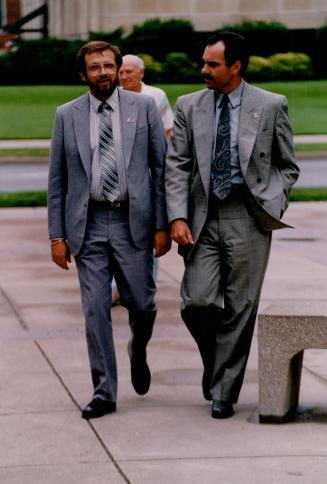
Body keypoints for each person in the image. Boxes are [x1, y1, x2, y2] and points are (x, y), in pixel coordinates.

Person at [165, 31, 299, 419]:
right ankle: (217, 363)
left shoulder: (271, 105)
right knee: (197, 302)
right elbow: (178, 165)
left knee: (241, 307)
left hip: (248, 217)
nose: (202, 69)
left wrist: (274, 198)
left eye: (212, 64)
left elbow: (287, 164)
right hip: (203, 217)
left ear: (235, 67)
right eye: (204, 62)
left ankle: (224, 389)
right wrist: (177, 215)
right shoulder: (189, 105)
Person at [48, 41, 171, 420]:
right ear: (83, 75)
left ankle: (138, 349)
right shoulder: (66, 115)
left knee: (143, 304)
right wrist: (56, 236)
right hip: (87, 225)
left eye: (108, 66)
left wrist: (162, 224)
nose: (102, 72)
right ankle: (104, 391)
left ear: (119, 69)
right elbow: (57, 180)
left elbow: (160, 169)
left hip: (133, 223)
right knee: (95, 310)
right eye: (94, 67)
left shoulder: (144, 108)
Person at [118, 54, 174, 139]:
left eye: (128, 72)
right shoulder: (112, 96)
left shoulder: (157, 94)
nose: (124, 77)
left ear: (141, 73)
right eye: (120, 72)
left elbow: (169, 129)